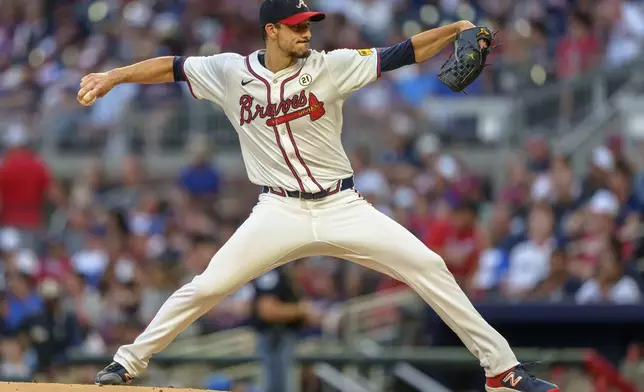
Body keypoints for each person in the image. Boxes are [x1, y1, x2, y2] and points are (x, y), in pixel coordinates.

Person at [79, 1, 558, 391]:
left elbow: (402, 52)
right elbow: (173, 66)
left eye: (308, 23)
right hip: (277, 210)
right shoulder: (229, 71)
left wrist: (454, 28)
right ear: (271, 31)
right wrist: (114, 76)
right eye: (296, 26)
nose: (306, 32)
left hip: (341, 206)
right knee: (206, 286)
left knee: (429, 266)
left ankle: (501, 370)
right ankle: (126, 363)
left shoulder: (332, 66)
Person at [250, 267, 319, 392]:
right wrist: (301, 310)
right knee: (275, 384)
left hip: (288, 338)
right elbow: (267, 310)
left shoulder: (285, 274)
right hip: (274, 339)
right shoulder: (271, 273)